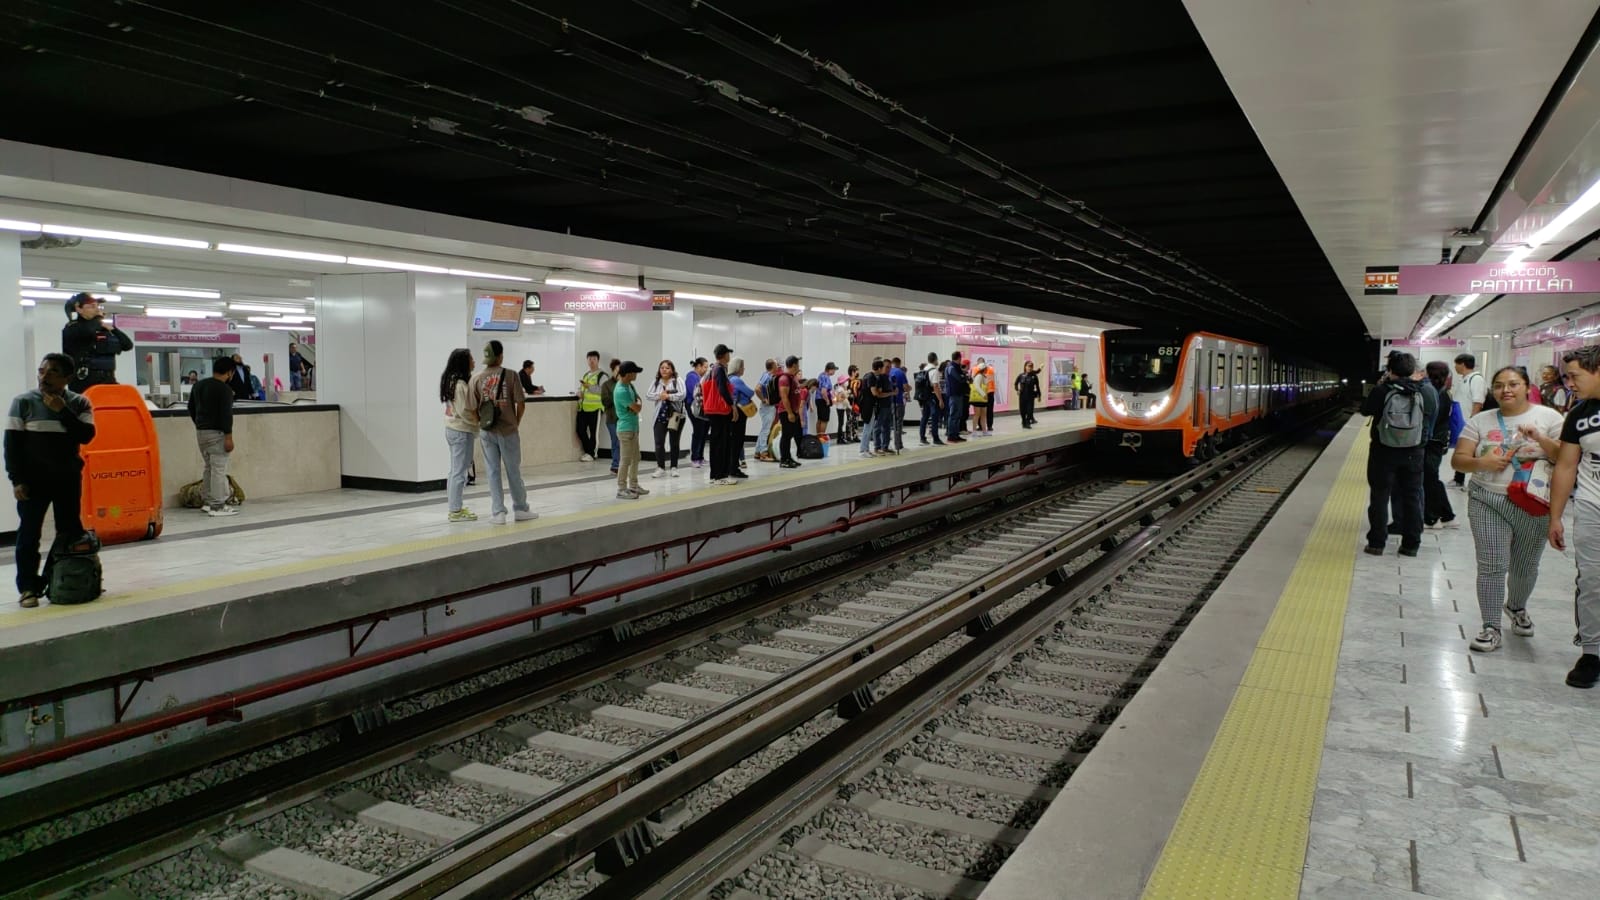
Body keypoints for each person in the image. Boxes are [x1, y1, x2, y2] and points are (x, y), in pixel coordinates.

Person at [1451, 365, 1562, 653]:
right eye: (1499, 385)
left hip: (1533, 502)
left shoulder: (1550, 418)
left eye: (1513, 384)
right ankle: (1491, 627)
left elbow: (1565, 457)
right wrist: (1481, 463)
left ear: (1526, 386)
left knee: (1525, 567)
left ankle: (1516, 606)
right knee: (1491, 565)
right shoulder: (1480, 421)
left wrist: (1539, 437)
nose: (1506, 390)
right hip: (1487, 499)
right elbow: (1458, 460)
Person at [6, 354, 96, 608]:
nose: (44, 377)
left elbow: (86, 435)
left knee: (68, 533)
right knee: (28, 534)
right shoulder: (23, 402)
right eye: (42, 371)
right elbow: (11, 446)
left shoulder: (80, 403)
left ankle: (58, 581)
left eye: (53, 372)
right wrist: (17, 480)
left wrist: (62, 411)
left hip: (67, 480)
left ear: (67, 378)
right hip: (33, 482)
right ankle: (28, 588)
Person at [1548, 346, 1600, 687]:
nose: (1569, 383)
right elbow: (1566, 466)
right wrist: (1556, 517)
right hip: (1592, 506)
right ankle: (1592, 652)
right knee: (1592, 580)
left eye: (1575, 376)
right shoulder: (1579, 414)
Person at [1360, 352, 1428, 556]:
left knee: (1380, 497)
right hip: (1413, 452)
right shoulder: (1422, 391)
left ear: (1390, 370)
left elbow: (1365, 410)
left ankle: (1376, 543)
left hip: (1383, 450)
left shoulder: (1382, 390)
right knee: (1412, 497)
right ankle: (1411, 545)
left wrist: (1380, 385)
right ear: (1412, 370)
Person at [470, 340, 536, 524]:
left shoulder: (476, 378)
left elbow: (472, 408)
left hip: (487, 431)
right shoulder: (511, 375)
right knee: (513, 470)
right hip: (508, 430)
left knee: (492, 472)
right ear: (500, 356)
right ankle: (521, 509)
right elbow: (521, 403)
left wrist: (481, 423)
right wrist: (516, 422)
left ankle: (498, 513)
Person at [188, 356, 240, 518]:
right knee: (219, 469)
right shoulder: (225, 390)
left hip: (201, 432)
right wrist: (229, 437)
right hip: (217, 433)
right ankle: (217, 505)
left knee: (209, 467)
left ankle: (208, 502)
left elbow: (191, 407)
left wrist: (199, 424)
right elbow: (226, 415)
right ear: (230, 372)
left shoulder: (199, 385)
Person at [60, 293, 132, 393]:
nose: (97, 309)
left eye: (97, 306)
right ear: (79, 309)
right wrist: (98, 319)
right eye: (92, 306)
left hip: (108, 382)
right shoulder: (72, 328)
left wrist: (114, 329)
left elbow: (128, 345)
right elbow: (88, 331)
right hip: (84, 385)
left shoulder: (102, 328)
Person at [440, 348, 478, 522]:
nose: (474, 361)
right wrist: (479, 421)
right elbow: (465, 412)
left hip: (454, 429)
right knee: (459, 472)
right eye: (471, 359)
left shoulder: (451, 381)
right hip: (461, 431)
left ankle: (456, 507)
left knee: (456, 471)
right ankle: (455, 511)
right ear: (464, 362)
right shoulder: (460, 385)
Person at [1421, 361, 1457, 529]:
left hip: (1432, 441)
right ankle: (1447, 516)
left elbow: (1432, 420)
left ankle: (1433, 517)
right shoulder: (1443, 392)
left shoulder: (1436, 394)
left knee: (1429, 479)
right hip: (1437, 440)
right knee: (1430, 478)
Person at [701, 346, 736, 484]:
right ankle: (720, 476)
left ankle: (715, 475)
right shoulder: (720, 369)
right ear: (724, 355)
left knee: (716, 442)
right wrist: (732, 405)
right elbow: (722, 389)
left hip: (712, 410)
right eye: (728, 353)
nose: (729, 356)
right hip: (720, 411)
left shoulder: (712, 369)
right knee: (721, 443)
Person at [646, 359, 685, 479]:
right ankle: (660, 467)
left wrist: (669, 396)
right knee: (659, 442)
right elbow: (648, 395)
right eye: (662, 368)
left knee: (674, 442)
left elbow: (682, 394)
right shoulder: (656, 382)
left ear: (672, 370)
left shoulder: (677, 380)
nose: (664, 370)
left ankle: (674, 467)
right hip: (660, 416)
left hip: (675, 415)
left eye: (667, 368)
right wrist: (660, 395)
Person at [613, 361, 647, 499]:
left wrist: (636, 405)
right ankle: (621, 488)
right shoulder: (621, 390)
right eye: (635, 372)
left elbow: (638, 401)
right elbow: (637, 407)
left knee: (635, 458)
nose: (636, 374)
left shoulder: (629, 386)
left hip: (633, 427)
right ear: (628, 374)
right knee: (625, 460)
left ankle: (633, 485)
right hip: (626, 430)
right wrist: (637, 406)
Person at [1452, 353, 1485, 488]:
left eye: (1456, 364)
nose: (1455, 367)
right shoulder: (1464, 379)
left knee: (1470, 451)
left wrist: (1472, 421)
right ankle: (1458, 479)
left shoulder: (1476, 379)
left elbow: (1478, 402)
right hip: (1460, 420)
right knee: (1462, 450)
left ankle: (1471, 479)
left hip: (1468, 421)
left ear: (1463, 364)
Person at [776, 355, 804, 469]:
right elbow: (784, 397)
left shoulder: (792, 377)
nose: (799, 366)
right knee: (786, 436)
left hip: (794, 411)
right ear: (794, 365)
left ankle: (788, 457)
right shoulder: (784, 379)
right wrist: (790, 413)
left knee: (791, 434)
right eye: (798, 364)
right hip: (786, 412)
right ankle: (784, 460)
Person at [729, 358, 755, 478]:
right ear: (738, 368)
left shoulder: (729, 378)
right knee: (738, 440)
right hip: (739, 411)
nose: (744, 369)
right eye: (742, 367)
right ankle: (734, 468)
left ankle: (732, 466)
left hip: (733, 411)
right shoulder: (736, 380)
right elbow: (750, 392)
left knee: (734, 440)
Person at [576, 350, 604, 461]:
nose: (591, 361)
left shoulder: (602, 375)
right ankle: (589, 451)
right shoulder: (586, 375)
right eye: (590, 359)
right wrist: (579, 392)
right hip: (583, 408)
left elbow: (603, 390)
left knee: (593, 433)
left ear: (598, 361)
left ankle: (592, 454)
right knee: (580, 430)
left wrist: (589, 387)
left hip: (595, 408)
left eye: (594, 359)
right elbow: (581, 388)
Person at [867, 359, 896, 455]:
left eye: (890, 367)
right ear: (882, 367)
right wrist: (891, 393)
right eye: (887, 367)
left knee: (887, 427)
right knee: (878, 427)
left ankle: (885, 446)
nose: (888, 369)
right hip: (881, 406)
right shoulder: (879, 378)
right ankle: (877, 447)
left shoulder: (889, 378)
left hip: (888, 405)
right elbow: (878, 394)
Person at [685, 357, 710, 468]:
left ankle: (700, 457)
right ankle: (695, 457)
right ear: (698, 366)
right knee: (698, 431)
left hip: (702, 407)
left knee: (703, 432)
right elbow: (695, 392)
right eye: (705, 367)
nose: (706, 369)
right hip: (694, 407)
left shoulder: (700, 377)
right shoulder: (691, 377)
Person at [599, 359, 621, 475]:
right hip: (612, 419)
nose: (619, 372)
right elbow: (605, 401)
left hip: (625, 419)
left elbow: (635, 397)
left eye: (621, 370)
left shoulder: (626, 384)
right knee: (616, 441)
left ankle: (623, 465)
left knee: (625, 442)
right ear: (612, 371)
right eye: (617, 370)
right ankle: (615, 465)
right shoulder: (606, 385)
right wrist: (618, 396)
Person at [754, 359, 779, 462]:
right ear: (772, 366)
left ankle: (758, 451)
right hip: (767, 407)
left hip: (767, 407)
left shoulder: (766, 375)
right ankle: (763, 453)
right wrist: (764, 399)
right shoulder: (767, 376)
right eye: (776, 364)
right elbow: (757, 388)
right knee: (766, 430)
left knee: (764, 429)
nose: (777, 366)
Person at [915, 361, 945, 446]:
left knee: (924, 417)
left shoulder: (924, 370)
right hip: (932, 396)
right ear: (935, 360)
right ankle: (935, 438)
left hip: (924, 397)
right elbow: (935, 386)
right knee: (934, 417)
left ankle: (922, 438)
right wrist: (940, 399)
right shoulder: (934, 371)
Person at [944, 351, 970, 444]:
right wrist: (964, 377)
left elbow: (961, 377)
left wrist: (963, 376)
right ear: (959, 358)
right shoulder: (951, 368)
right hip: (954, 394)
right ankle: (951, 436)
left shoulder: (954, 367)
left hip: (958, 394)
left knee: (958, 415)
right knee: (954, 415)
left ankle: (956, 434)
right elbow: (959, 378)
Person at [888, 357, 909, 452]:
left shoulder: (888, 371)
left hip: (888, 401)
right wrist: (909, 388)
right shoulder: (900, 372)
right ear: (899, 364)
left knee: (887, 424)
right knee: (898, 423)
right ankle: (898, 445)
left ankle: (886, 445)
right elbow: (905, 387)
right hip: (899, 400)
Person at [1015, 361, 1042, 428]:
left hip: (1030, 396)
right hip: (1022, 396)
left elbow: (1037, 387)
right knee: (1022, 411)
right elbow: (1016, 383)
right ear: (1025, 367)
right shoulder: (1021, 375)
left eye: (1031, 367)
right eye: (1028, 366)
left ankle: (1027, 422)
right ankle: (1024, 422)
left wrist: (1039, 395)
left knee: (1030, 411)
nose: (1029, 368)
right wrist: (1017, 390)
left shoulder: (1034, 376)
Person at [816, 362, 836, 437]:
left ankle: (818, 437)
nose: (834, 372)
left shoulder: (821, 375)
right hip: (823, 400)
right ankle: (822, 438)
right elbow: (823, 391)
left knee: (820, 419)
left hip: (818, 400)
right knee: (824, 420)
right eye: (834, 370)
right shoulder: (826, 377)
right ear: (830, 369)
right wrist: (827, 400)